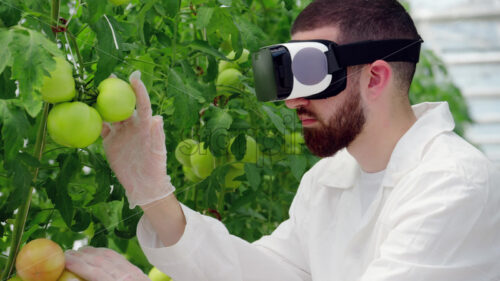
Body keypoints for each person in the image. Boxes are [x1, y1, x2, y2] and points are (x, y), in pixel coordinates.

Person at [64, 0, 500, 280]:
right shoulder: (329, 178)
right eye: (286, 81)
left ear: (377, 77)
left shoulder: (453, 184)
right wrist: (152, 191)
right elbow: (266, 273)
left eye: (312, 76)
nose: (293, 103)